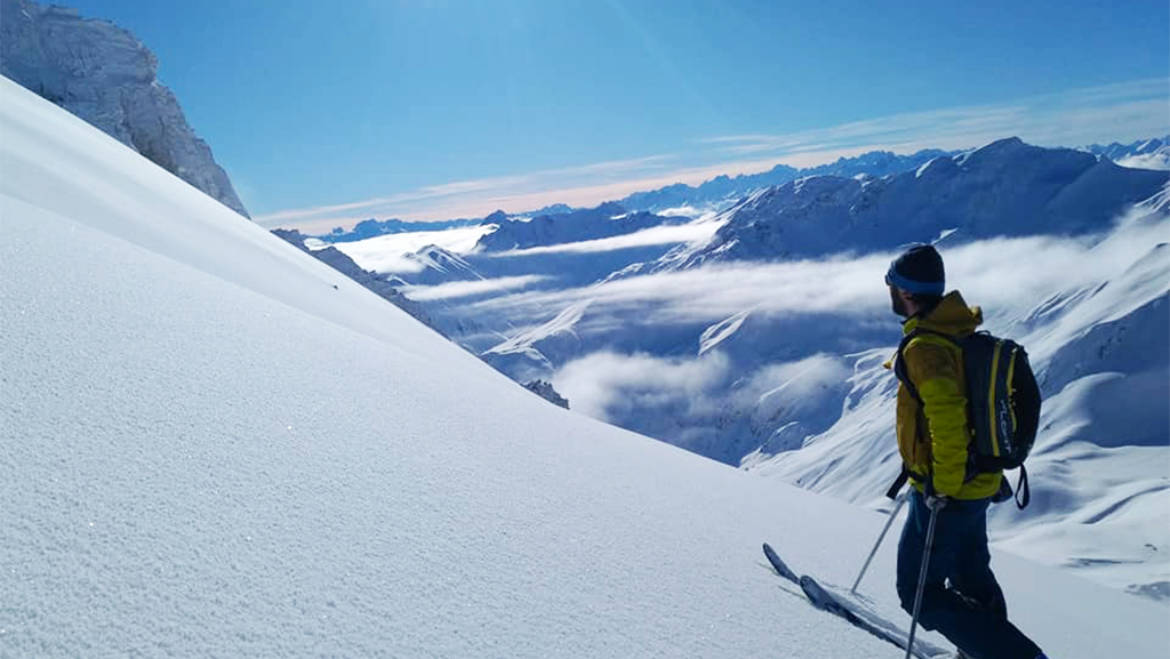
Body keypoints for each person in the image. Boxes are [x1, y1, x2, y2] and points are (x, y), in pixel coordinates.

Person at [885, 244, 1047, 659]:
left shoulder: (926, 347)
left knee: (918, 595)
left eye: (890, 285)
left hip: (948, 490)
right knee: (971, 577)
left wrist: (943, 485)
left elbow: (947, 417)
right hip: (978, 483)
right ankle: (985, 652)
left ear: (904, 292)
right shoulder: (958, 331)